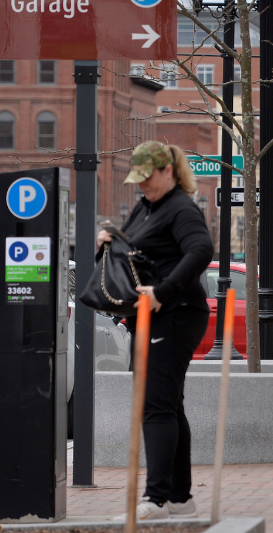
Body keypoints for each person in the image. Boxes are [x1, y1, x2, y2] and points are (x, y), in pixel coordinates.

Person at [104, 142, 214, 521]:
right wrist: (110, 239)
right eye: (139, 180)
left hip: (176, 314)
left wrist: (162, 293)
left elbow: (201, 251)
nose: (144, 186)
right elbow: (137, 249)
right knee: (167, 404)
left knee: (155, 406)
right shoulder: (146, 206)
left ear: (168, 171)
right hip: (151, 317)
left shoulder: (181, 207)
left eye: (148, 179)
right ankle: (181, 498)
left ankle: (157, 500)